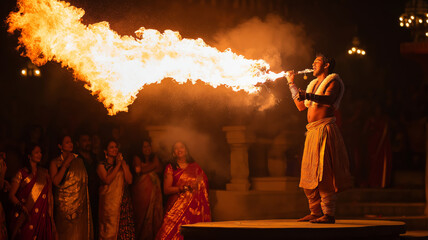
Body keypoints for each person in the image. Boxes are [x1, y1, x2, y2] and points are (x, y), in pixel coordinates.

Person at [286, 53, 352, 224]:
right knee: (308, 174)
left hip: (325, 130)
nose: (313, 65)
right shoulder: (313, 85)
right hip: (312, 132)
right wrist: (291, 83)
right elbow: (301, 106)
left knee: (323, 174)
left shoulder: (333, 81)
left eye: (317, 62)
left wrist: (307, 95)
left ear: (327, 65)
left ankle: (328, 214)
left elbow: (329, 99)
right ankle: (315, 212)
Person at [155, 141, 211, 240]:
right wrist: (183, 188)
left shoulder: (195, 167)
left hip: (195, 209)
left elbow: (203, 183)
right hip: (176, 207)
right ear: (173, 153)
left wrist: (197, 185)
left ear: (186, 151)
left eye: (182, 147)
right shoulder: (171, 167)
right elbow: (166, 190)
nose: (179, 150)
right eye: (176, 148)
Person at [9, 143, 57, 240]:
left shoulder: (45, 173)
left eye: (40, 152)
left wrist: (51, 218)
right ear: (29, 156)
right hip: (26, 216)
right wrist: (23, 208)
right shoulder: (21, 174)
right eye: (36, 152)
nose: (40, 154)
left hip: (42, 217)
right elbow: (11, 195)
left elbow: (49, 197)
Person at [49, 135, 93, 240]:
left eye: (71, 141)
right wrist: (65, 164)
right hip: (63, 207)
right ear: (60, 146)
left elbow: (84, 182)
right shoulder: (55, 162)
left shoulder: (79, 161)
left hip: (79, 208)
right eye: (67, 142)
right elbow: (55, 182)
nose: (71, 144)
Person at [97, 139, 135, 240]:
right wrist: (118, 165)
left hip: (123, 201)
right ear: (105, 151)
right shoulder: (101, 166)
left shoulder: (123, 164)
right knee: (109, 232)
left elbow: (130, 180)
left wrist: (122, 164)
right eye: (111, 147)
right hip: (109, 205)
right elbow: (107, 180)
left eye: (116, 147)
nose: (115, 149)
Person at [131, 139, 163, 240]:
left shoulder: (155, 158)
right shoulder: (137, 158)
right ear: (140, 148)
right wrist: (153, 166)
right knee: (142, 219)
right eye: (144, 146)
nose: (147, 149)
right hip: (141, 194)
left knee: (154, 218)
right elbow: (139, 171)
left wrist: (148, 168)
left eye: (148, 146)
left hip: (154, 195)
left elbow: (160, 169)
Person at [76, 131, 100, 239]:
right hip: (82, 199)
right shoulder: (76, 160)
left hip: (96, 197)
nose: (88, 143)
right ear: (78, 143)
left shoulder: (95, 158)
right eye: (84, 141)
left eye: (89, 140)